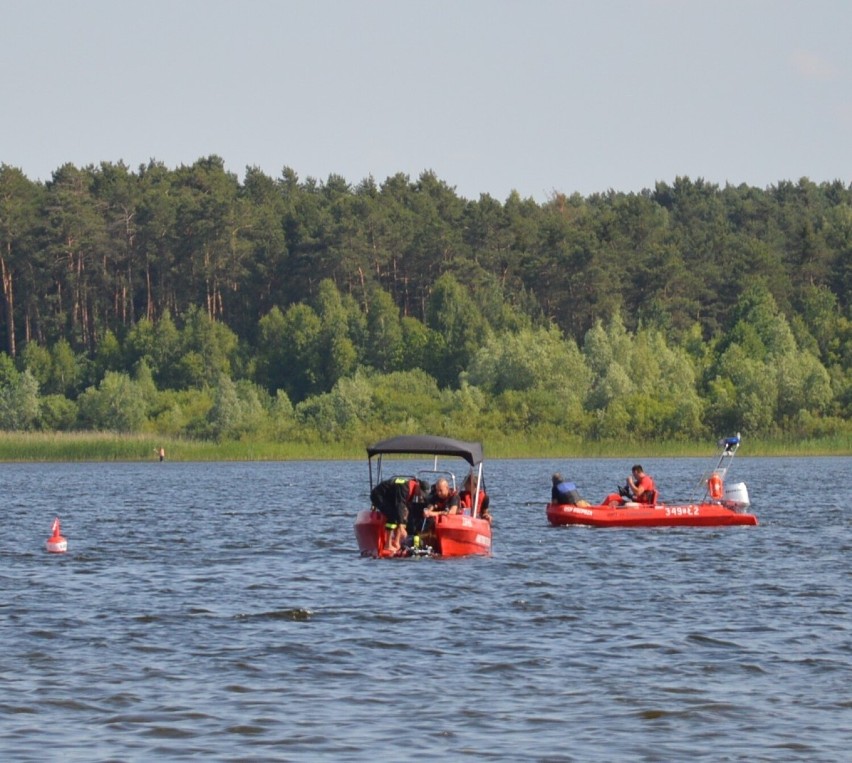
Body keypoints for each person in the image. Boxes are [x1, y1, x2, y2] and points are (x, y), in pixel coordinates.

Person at [370, 476, 425, 554]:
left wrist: (404, 521)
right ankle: (388, 545)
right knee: (393, 515)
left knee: (405, 513)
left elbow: (404, 508)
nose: (420, 495)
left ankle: (396, 542)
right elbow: (400, 505)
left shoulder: (413, 488)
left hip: (391, 498)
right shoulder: (405, 487)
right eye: (420, 493)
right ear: (418, 486)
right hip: (379, 495)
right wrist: (401, 525)